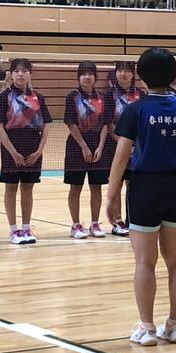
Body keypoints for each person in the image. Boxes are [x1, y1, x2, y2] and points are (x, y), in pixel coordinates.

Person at [106, 48, 176, 346]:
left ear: (140, 76)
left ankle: (146, 328)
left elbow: (121, 157)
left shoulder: (135, 110)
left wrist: (111, 195)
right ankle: (175, 325)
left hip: (145, 188)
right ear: (174, 75)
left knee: (145, 262)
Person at [0, 58, 52, 245]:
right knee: (11, 188)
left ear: (30, 74)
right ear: (11, 73)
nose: (20, 74)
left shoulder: (38, 97)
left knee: (27, 188)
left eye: (24, 70)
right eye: (17, 70)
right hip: (12, 147)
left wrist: (39, 151)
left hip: (33, 146)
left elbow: (46, 126)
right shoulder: (4, 97)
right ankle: (13, 230)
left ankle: (26, 228)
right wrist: (13, 152)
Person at [64, 62, 109, 239]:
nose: (87, 77)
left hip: (97, 144)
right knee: (76, 187)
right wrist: (83, 146)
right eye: (83, 74)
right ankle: (75, 225)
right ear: (79, 77)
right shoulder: (72, 97)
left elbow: (106, 123)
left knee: (96, 187)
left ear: (95, 77)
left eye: (90, 74)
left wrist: (100, 146)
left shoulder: (102, 98)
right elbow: (70, 123)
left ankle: (95, 223)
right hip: (77, 145)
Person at [103, 61, 143, 237]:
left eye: (127, 71)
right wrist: (123, 145)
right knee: (117, 184)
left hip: (137, 148)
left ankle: (133, 218)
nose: (123, 74)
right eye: (120, 70)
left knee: (133, 185)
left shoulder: (141, 94)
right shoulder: (108, 96)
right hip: (115, 146)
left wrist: (134, 146)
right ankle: (117, 221)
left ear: (133, 74)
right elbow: (109, 123)